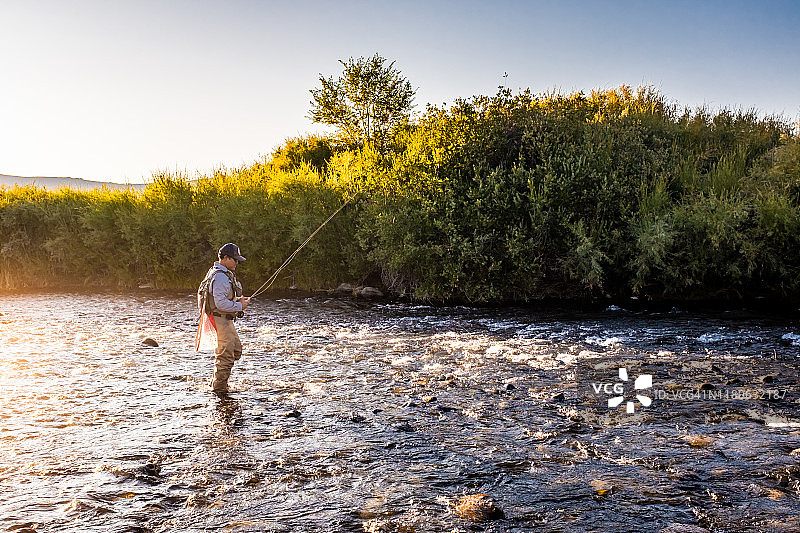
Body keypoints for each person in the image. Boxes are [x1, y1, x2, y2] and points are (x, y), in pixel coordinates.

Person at [200, 243, 250, 393]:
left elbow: (218, 300)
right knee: (226, 357)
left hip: (224, 320)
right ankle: (219, 391)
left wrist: (237, 301)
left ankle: (216, 382)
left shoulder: (215, 272)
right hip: (220, 320)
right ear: (226, 258)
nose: (237, 262)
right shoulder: (221, 277)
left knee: (236, 350)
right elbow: (220, 304)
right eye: (235, 259)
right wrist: (240, 306)